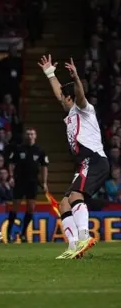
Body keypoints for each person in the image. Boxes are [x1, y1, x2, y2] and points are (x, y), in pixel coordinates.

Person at [38, 55, 108, 259]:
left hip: (93, 160)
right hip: (84, 164)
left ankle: (84, 237)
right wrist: (49, 73)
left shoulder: (84, 110)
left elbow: (79, 95)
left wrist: (76, 78)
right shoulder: (70, 115)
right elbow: (60, 91)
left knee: (76, 197)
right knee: (64, 204)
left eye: (64, 96)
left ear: (70, 98)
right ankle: (73, 246)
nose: (60, 99)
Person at [7, 128, 49, 242]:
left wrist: (44, 183)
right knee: (15, 206)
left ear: (35, 136)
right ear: (25, 136)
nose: (30, 136)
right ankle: (9, 232)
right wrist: (10, 176)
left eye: (32, 134)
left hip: (33, 182)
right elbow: (11, 163)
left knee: (31, 208)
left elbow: (44, 167)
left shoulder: (40, 150)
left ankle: (23, 233)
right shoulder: (18, 149)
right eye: (28, 134)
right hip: (19, 181)